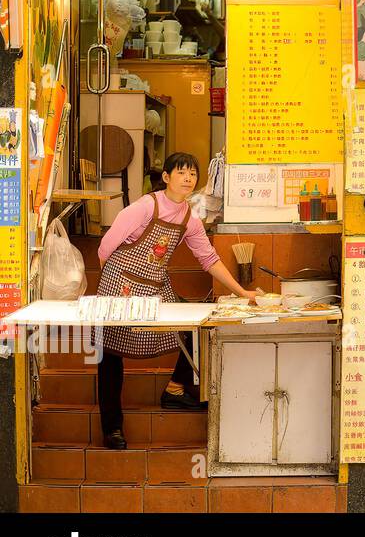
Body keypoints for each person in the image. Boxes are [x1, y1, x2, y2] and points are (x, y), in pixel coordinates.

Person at [92, 152, 256, 450]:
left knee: (194, 328)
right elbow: (105, 247)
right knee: (110, 351)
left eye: (193, 174)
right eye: (181, 172)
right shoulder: (144, 207)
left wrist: (243, 293)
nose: (188, 178)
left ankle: (175, 389)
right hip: (120, 281)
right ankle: (112, 427)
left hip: (155, 283)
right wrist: (112, 285)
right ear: (166, 177)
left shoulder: (190, 220)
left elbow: (209, 259)